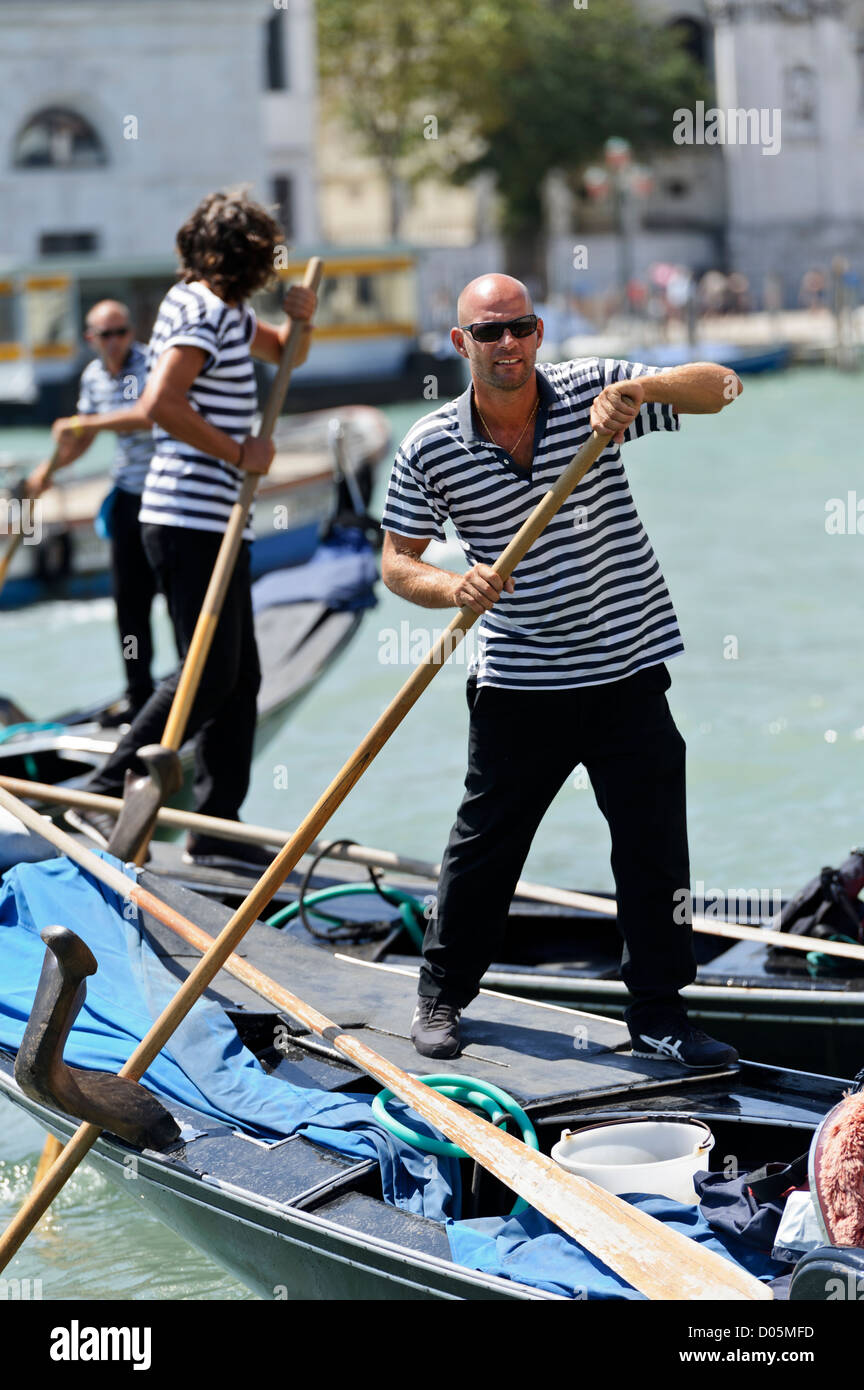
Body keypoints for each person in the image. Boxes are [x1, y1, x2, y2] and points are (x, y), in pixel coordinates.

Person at [380, 273, 743, 1069]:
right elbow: (397, 563)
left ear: (539, 333)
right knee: (484, 847)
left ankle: (658, 1012)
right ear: (460, 344)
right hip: (520, 678)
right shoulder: (431, 444)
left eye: (522, 327)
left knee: (653, 849)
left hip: (624, 666)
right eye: (490, 333)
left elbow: (722, 386)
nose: (508, 344)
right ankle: (441, 997)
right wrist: (454, 585)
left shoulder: (597, 392)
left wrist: (640, 388)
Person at [67, 190, 317, 869]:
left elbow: (286, 356)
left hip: (220, 519)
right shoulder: (200, 309)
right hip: (186, 517)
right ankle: (102, 791)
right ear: (235, 259)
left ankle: (217, 829)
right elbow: (161, 405)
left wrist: (303, 321)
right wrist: (241, 453)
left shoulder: (228, 311)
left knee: (242, 679)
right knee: (208, 674)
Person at [28, 301, 157, 723]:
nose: (117, 341)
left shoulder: (151, 363)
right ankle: (140, 693)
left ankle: (191, 685)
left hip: (164, 494)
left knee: (175, 594)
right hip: (127, 496)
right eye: (107, 335)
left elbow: (143, 418)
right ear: (92, 340)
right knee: (128, 602)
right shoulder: (93, 376)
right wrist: (48, 470)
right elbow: (82, 438)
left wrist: (84, 425)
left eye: (122, 331)